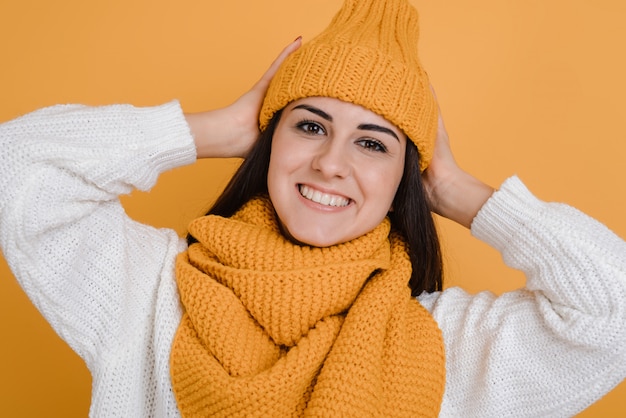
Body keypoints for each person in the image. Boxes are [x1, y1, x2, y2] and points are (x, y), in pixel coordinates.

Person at [1, 0, 625, 416]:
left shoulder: (450, 347)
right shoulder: (147, 292)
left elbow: (613, 314)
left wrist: (454, 189)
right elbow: (16, 166)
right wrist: (215, 130)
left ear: (405, 175)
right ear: (269, 141)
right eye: (308, 126)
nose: (332, 162)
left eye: (373, 143)